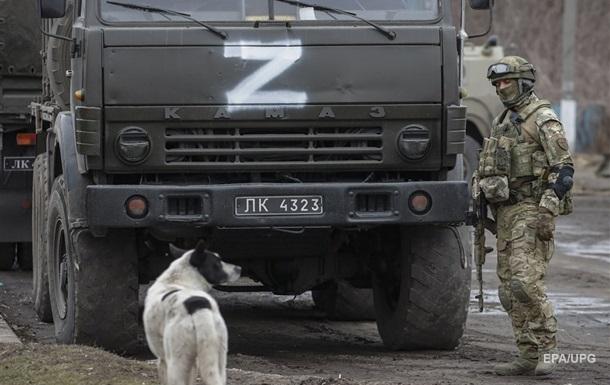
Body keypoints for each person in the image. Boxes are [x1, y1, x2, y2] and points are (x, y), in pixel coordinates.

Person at [474, 56, 574, 376]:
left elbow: (564, 169)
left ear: (524, 82)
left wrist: (547, 209)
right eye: (498, 83)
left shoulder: (542, 118)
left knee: (525, 283)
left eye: (507, 81)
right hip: (504, 212)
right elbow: (490, 166)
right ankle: (527, 353)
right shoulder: (503, 120)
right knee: (507, 289)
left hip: (531, 209)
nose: (502, 88)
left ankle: (548, 348)